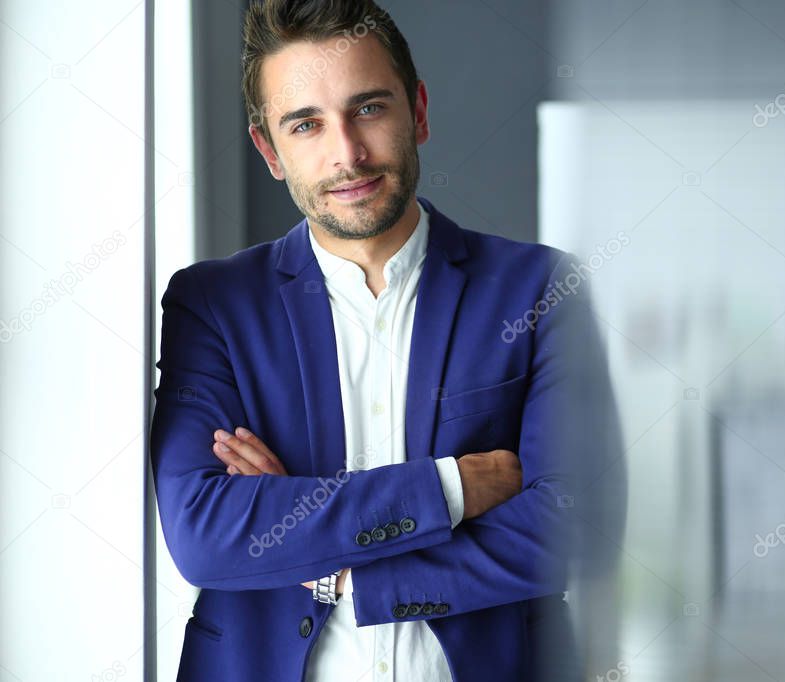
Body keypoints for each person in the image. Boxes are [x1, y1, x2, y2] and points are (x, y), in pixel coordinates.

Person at [149, 1, 624, 680]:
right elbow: (205, 534)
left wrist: (336, 570)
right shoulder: (214, 305)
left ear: (417, 112)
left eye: (368, 108)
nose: (347, 153)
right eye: (306, 124)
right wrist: (451, 488)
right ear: (270, 151)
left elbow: (580, 527)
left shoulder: (539, 289)